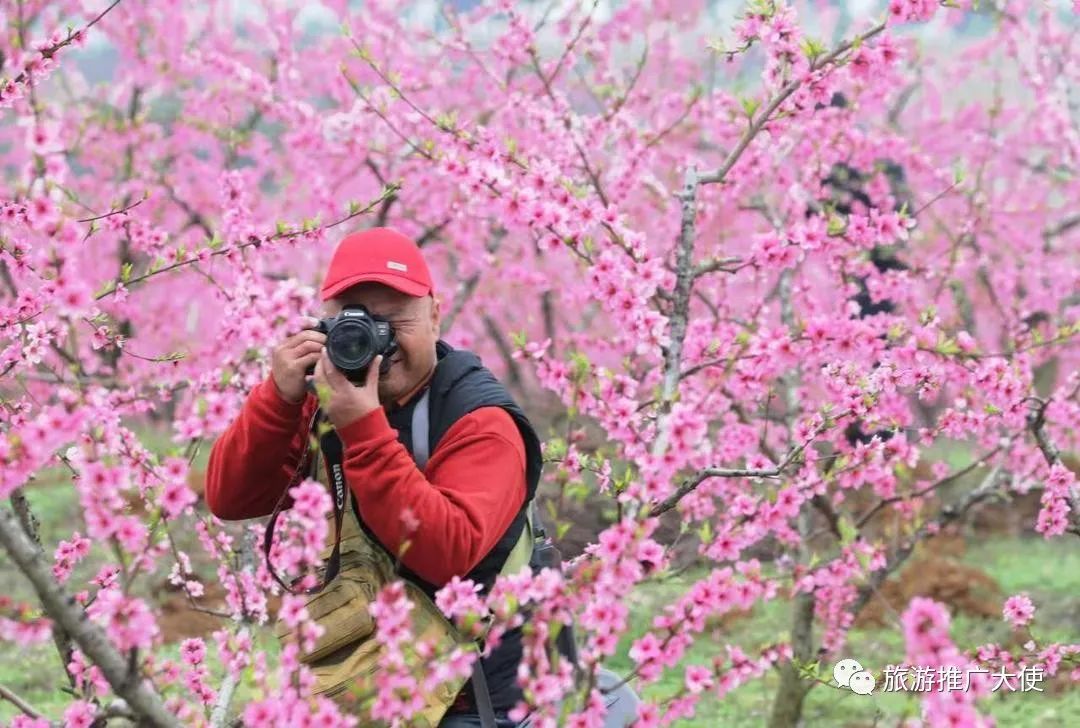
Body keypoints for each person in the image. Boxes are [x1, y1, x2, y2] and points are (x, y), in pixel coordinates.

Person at [205, 227, 544, 726]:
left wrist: (362, 428)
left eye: (395, 319)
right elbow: (231, 498)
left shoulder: (480, 421)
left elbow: (447, 553)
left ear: (434, 315)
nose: (377, 340)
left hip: (477, 698)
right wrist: (277, 400)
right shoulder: (330, 399)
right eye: (356, 320)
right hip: (370, 683)